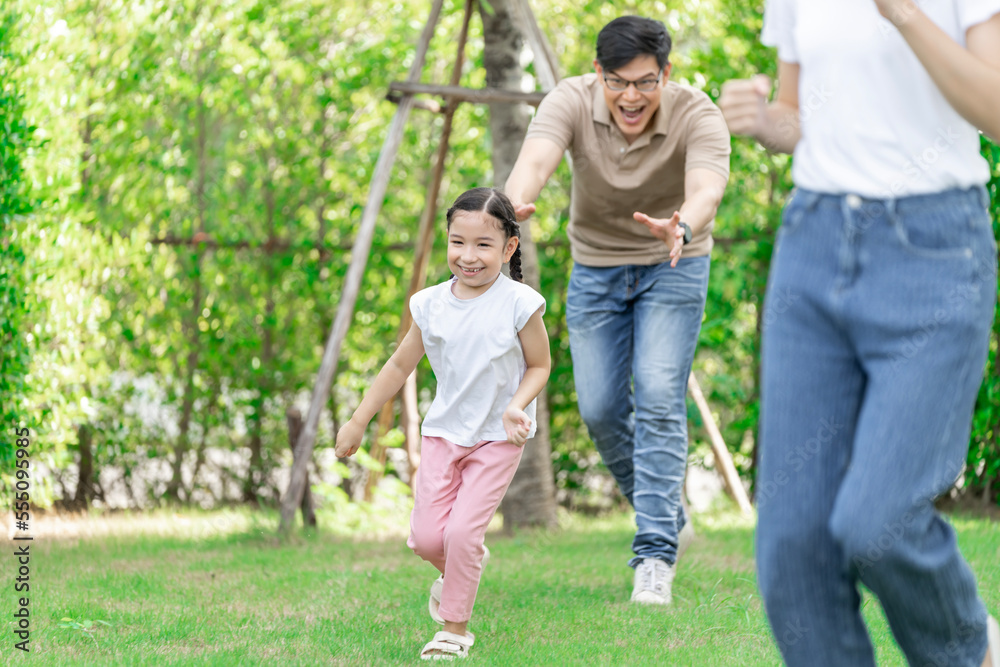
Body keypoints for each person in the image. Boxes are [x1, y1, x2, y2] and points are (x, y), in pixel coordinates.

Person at [718, 1, 1000, 664]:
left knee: (881, 520)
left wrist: (903, 13)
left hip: (933, 248)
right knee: (793, 548)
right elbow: (798, 115)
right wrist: (764, 121)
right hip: (813, 243)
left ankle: (972, 648)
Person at [504, 15, 730, 605]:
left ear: (666, 75)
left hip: (675, 262)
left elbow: (706, 187)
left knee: (658, 394)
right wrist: (511, 204)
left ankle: (654, 553)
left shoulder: (697, 112)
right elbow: (535, 160)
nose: (632, 96)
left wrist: (683, 221)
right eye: (619, 81)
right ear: (598, 73)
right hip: (597, 268)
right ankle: (667, 510)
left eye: (646, 82)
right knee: (601, 408)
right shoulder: (571, 100)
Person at [334, 187, 550, 661]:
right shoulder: (429, 304)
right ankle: (465, 564)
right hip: (443, 434)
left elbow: (539, 365)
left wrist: (517, 406)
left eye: (483, 245)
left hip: (497, 438)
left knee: (461, 535)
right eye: (458, 242)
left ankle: (454, 632)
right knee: (428, 537)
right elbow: (397, 367)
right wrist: (357, 421)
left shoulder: (520, 303)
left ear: (509, 247)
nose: (468, 256)